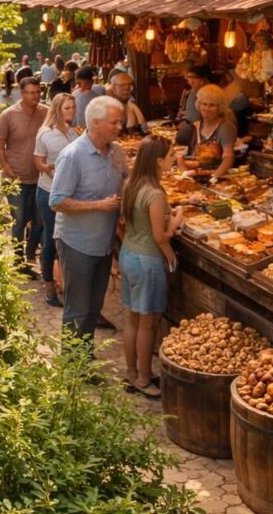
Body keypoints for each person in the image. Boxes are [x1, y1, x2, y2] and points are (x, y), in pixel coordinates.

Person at [49, 95, 127, 345]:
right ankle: (72, 364)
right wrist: (99, 205)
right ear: (95, 123)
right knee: (78, 309)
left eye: (121, 121)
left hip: (103, 244)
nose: (120, 127)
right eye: (115, 122)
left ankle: (85, 356)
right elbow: (56, 201)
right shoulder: (72, 155)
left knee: (94, 306)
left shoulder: (117, 152)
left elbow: (126, 182)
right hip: (77, 244)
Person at [118, 136, 183, 399]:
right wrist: (175, 221)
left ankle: (131, 372)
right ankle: (144, 378)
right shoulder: (155, 194)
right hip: (147, 262)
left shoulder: (131, 185)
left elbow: (125, 223)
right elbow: (160, 236)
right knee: (149, 323)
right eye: (171, 155)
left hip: (129, 254)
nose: (174, 158)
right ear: (158, 161)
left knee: (133, 319)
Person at [0, 76, 48, 268]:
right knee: (19, 221)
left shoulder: (46, 113)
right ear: (22, 93)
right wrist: (7, 168)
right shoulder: (9, 115)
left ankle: (30, 256)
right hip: (16, 178)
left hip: (40, 178)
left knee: (38, 221)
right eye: (31, 93)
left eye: (38, 92)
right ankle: (18, 262)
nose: (35, 96)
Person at [33, 92, 78, 307]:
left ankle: (65, 284)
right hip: (49, 192)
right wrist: (48, 168)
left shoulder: (73, 133)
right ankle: (50, 288)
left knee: (65, 239)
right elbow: (38, 161)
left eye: (73, 107)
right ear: (58, 109)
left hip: (68, 194)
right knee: (50, 240)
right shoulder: (45, 133)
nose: (72, 111)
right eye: (67, 108)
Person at [178, 84, 237, 178]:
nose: (207, 109)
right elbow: (179, 155)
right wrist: (186, 175)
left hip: (217, 177)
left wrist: (214, 178)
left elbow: (228, 157)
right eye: (204, 104)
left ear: (220, 107)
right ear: (199, 105)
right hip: (195, 175)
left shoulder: (225, 127)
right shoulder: (194, 126)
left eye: (212, 105)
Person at [109, 71, 148, 135]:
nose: (127, 88)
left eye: (130, 85)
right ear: (113, 88)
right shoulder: (107, 107)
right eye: (122, 85)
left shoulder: (132, 105)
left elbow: (144, 129)